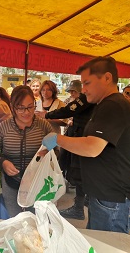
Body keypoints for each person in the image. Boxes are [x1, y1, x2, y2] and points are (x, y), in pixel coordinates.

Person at [42, 56, 130, 234]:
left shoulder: (113, 105)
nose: (84, 89)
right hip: (106, 195)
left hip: (114, 197)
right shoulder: (104, 104)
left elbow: (91, 147)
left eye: (87, 83)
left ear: (106, 78)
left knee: (108, 245)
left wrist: (57, 139)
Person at [0, 85, 53, 217]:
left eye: (30, 106)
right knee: (13, 221)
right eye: (21, 108)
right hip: (11, 182)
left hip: (37, 184)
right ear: (12, 107)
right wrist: (2, 162)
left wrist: (47, 154)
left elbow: (56, 150)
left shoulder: (44, 126)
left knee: (35, 221)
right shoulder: (3, 127)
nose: (27, 112)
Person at [42, 80, 95, 220]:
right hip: (81, 136)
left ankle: (79, 207)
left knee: (79, 172)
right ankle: (85, 201)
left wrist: (46, 115)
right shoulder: (92, 97)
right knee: (79, 171)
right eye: (70, 91)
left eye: (74, 91)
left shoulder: (86, 97)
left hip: (81, 138)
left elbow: (68, 110)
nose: (72, 94)